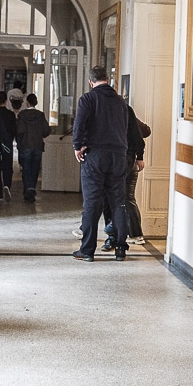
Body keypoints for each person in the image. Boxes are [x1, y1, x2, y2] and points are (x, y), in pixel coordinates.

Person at [72, 66, 130, 262]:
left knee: (92, 204)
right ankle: (120, 249)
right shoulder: (121, 102)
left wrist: (77, 146)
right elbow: (125, 128)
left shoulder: (88, 99)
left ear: (91, 82)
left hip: (95, 155)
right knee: (118, 203)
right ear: (108, 79)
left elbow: (79, 125)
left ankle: (87, 250)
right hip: (118, 156)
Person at [103, 107, 148, 251]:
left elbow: (142, 133)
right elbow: (144, 132)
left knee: (112, 198)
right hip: (130, 159)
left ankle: (112, 234)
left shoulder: (110, 110)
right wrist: (139, 156)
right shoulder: (126, 110)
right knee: (127, 198)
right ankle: (134, 234)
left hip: (119, 160)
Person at [15, 93, 50, 202]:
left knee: (26, 168)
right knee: (35, 169)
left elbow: (20, 130)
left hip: (26, 144)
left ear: (27, 103)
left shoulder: (22, 115)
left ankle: (28, 189)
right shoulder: (40, 115)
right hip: (38, 145)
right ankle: (31, 190)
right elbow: (46, 131)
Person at [0, 91, 17, 202]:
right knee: (7, 166)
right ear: (6, 101)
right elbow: (14, 130)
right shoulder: (11, 115)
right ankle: (7, 184)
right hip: (7, 143)